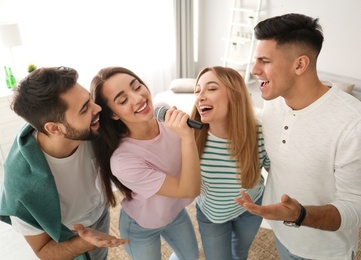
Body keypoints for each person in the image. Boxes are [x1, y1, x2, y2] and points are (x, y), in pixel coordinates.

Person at [234, 13, 361, 259]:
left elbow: (360, 207)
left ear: (300, 64)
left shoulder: (356, 125)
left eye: (265, 60)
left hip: (326, 250)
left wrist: (300, 215)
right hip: (282, 234)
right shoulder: (274, 102)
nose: (254, 69)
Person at [0, 66, 129, 260]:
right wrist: (85, 242)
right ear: (54, 128)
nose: (98, 108)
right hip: (67, 232)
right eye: (85, 108)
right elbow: (44, 251)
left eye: (89, 100)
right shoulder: (22, 189)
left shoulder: (94, 125)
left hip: (100, 212)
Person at [90, 66, 200, 260]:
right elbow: (190, 190)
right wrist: (187, 138)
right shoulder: (123, 161)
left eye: (137, 86)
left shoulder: (162, 111)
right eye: (123, 100)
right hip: (142, 225)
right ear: (113, 114)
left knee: (191, 257)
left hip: (174, 211)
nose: (138, 98)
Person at [189, 66, 270, 260]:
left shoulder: (260, 133)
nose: (200, 96)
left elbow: (280, 171)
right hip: (212, 215)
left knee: (240, 254)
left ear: (235, 95)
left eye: (211, 88)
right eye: (197, 90)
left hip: (251, 208)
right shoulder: (190, 137)